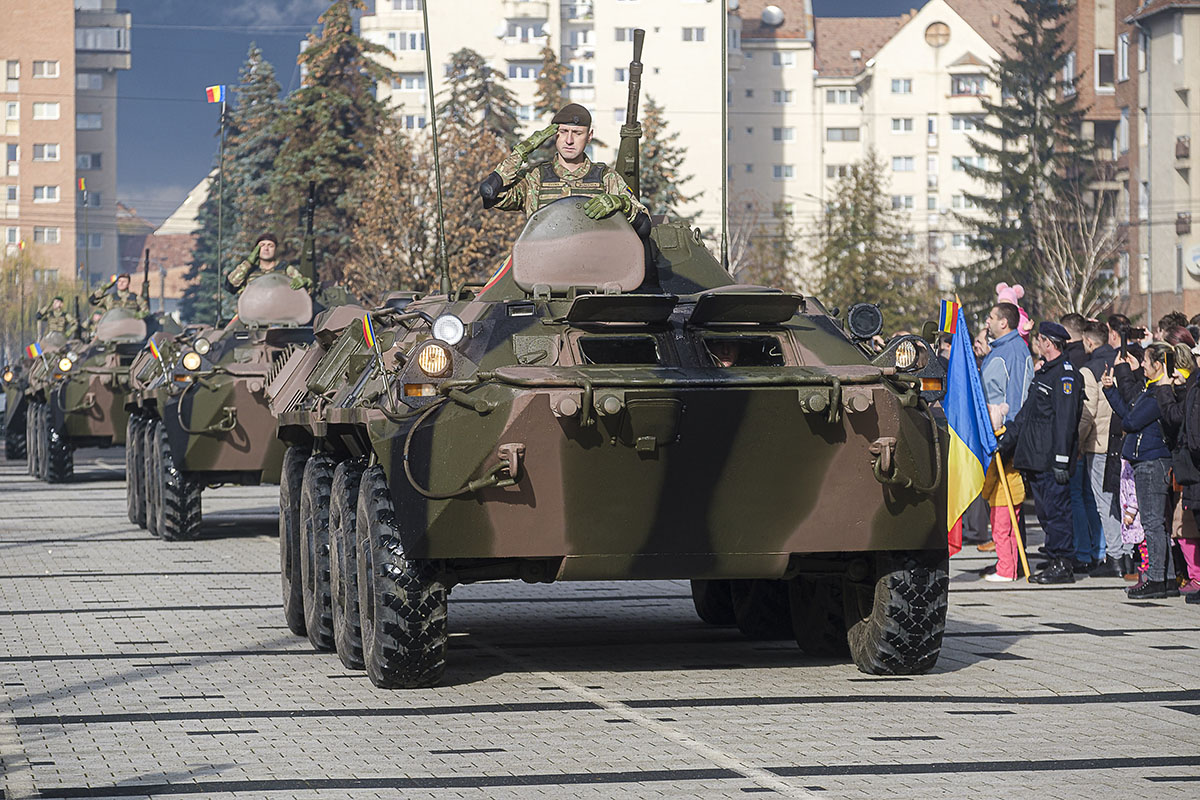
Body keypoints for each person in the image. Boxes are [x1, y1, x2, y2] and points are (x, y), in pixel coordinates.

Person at [479, 103, 651, 233]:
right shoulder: (535, 179)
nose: (569, 140)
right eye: (563, 132)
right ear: (554, 134)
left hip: (594, 264)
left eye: (577, 133)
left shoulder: (606, 178)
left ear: (589, 136)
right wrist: (522, 151)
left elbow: (644, 226)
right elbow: (490, 192)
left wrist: (622, 204)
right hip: (544, 263)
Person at [1005, 321, 1083, 584]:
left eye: (1039, 340)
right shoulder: (1046, 373)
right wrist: (1006, 441)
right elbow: (1027, 414)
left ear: (1048, 343)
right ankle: (1054, 556)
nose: (1037, 344)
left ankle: (1063, 563)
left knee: (1057, 511)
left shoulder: (1064, 375)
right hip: (1037, 457)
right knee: (1046, 512)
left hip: (1051, 458)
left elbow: (1065, 421)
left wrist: (1061, 459)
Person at [1104, 342, 1178, 598]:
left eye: (1146, 360)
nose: (1142, 365)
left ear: (1158, 364)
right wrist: (1111, 391)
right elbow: (1129, 414)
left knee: (1152, 522)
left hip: (1152, 461)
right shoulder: (1150, 389)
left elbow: (1132, 420)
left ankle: (1156, 578)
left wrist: (1129, 416)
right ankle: (1167, 578)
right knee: (1156, 522)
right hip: (1145, 459)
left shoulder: (1160, 392)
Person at [977, 302, 1033, 575]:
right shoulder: (997, 350)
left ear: (1004, 322)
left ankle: (1012, 564)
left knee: (1008, 502)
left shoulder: (1015, 351)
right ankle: (1007, 559)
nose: (987, 322)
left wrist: (1011, 436)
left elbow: (1019, 396)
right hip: (992, 433)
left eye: (991, 317)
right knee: (997, 501)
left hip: (1005, 436)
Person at [1078, 320, 1129, 577]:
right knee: (1125, 501)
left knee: (1105, 502)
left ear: (1089, 342)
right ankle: (1128, 554)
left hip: (1099, 443)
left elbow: (1087, 414)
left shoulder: (1089, 370)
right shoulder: (1122, 361)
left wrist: (1077, 443)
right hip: (1123, 440)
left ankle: (1116, 556)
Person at [227, 233, 311, 293]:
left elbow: (307, 291)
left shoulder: (285, 269)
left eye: (270, 246)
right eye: (262, 245)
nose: (266, 249)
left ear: (275, 249)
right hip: (253, 310)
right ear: (256, 249)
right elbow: (230, 286)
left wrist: (305, 283)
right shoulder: (248, 270)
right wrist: (248, 263)